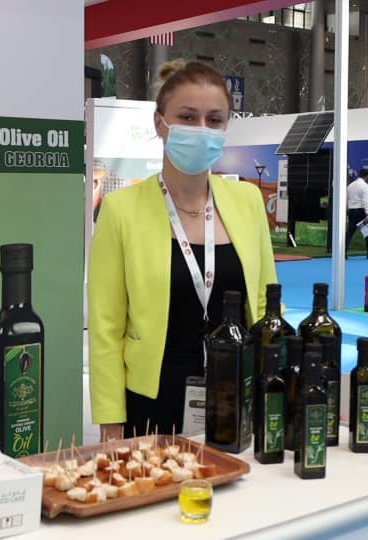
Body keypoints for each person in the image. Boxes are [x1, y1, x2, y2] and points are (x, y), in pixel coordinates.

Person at [88, 60, 279, 441]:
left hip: (236, 395)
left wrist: (273, 382)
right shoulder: (121, 210)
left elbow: (265, 301)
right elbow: (106, 327)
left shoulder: (247, 201)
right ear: (160, 123)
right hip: (154, 398)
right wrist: (111, 423)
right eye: (188, 117)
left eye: (214, 120)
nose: (201, 129)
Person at [345, 168, 368, 259]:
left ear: (358, 174)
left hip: (351, 210)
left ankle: (342, 253)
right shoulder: (365, 185)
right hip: (360, 211)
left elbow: (347, 199)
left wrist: (348, 209)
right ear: (367, 176)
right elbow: (365, 200)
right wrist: (367, 213)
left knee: (349, 232)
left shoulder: (350, 185)